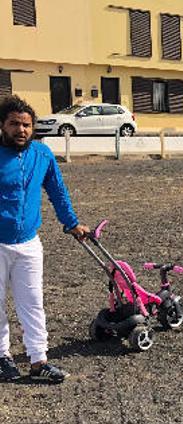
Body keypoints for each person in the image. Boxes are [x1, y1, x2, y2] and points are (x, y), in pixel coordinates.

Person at [0, 95, 88, 384]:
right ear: (3, 125)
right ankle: (3, 358)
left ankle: (39, 360)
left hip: (28, 244)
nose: (21, 130)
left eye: (26, 125)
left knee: (33, 302)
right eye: (14, 124)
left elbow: (58, 192)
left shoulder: (43, 154)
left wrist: (72, 223)